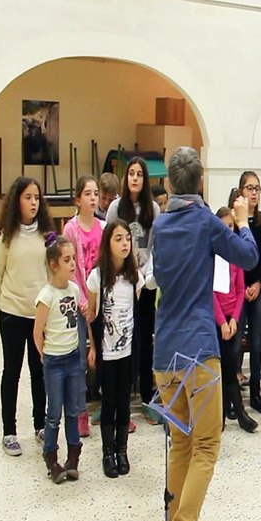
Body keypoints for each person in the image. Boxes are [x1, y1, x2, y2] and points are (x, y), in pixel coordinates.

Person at [151, 146, 258, 521]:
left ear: (170, 184)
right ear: (199, 184)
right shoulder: (205, 221)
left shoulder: (160, 225)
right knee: (207, 446)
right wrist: (244, 219)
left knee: (181, 443)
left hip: (165, 352)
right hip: (198, 350)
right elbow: (248, 258)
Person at [0, 176, 54, 456]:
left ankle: (40, 424)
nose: (33, 202)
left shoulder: (46, 235)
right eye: (28, 197)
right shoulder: (5, 237)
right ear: (17, 200)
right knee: (12, 372)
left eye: (36, 198)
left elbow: (52, 274)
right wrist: (9, 304)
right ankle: (9, 431)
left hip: (39, 316)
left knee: (39, 372)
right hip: (12, 315)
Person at [87, 219, 154, 476]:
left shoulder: (134, 277)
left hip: (127, 351)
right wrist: (93, 348)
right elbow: (91, 315)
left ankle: (122, 450)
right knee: (109, 401)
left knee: (124, 401)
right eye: (118, 238)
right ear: (107, 243)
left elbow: (133, 313)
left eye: (127, 238)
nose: (125, 243)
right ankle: (107, 452)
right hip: (106, 351)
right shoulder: (97, 277)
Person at [107, 157, 161, 424]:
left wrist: (145, 275)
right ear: (125, 177)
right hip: (122, 284)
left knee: (144, 336)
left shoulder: (153, 208)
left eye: (140, 174)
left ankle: (147, 397)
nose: (135, 178)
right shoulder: (117, 207)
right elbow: (110, 243)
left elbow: (155, 246)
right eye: (131, 173)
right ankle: (121, 397)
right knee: (124, 338)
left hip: (146, 283)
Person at [34, 234, 89, 484]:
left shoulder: (74, 289)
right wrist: (44, 355)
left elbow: (79, 322)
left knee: (73, 410)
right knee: (54, 412)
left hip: (73, 359)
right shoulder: (46, 296)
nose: (72, 264)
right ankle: (51, 459)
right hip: (54, 362)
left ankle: (73, 458)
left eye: (73, 259)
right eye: (67, 260)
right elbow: (38, 331)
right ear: (53, 265)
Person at [62, 175, 105, 438]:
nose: (93, 198)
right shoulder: (71, 229)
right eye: (87, 193)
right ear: (78, 199)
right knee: (79, 359)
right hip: (80, 302)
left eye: (96, 193)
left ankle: (110, 406)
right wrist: (84, 302)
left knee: (106, 356)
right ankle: (79, 411)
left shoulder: (103, 226)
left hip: (102, 301)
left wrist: (98, 300)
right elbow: (73, 271)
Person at [210, 208, 257, 434]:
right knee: (221, 367)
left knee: (230, 365)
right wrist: (222, 321)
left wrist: (235, 319)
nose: (227, 231)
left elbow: (240, 291)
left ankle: (236, 412)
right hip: (216, 320)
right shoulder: (212, 256)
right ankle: (231, 413)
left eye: (231, 226)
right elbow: (210, 294)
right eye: (223, 227)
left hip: (232, 319)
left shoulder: (235, 258)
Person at [236, 171, 261, 415]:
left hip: (257, 287)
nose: (253, 193)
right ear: (241, 191)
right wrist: (242, 286)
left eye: (257, 189)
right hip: (238, 289)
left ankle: (256, 393)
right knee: (237, 339)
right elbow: (233, 258)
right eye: (249, 188)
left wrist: (259, 283)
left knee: (257, 341)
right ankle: (234, 394)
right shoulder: (235, 222)